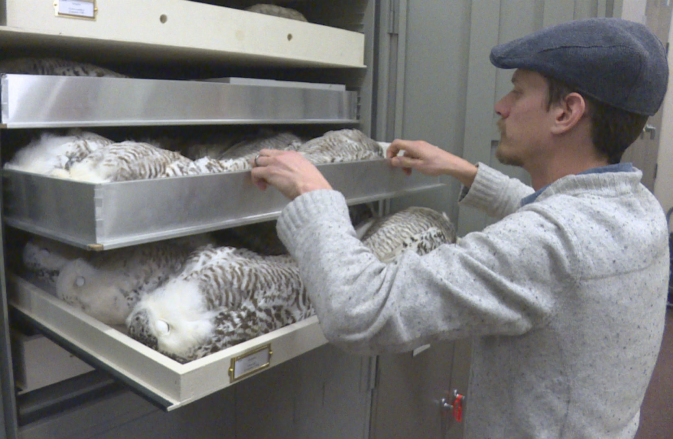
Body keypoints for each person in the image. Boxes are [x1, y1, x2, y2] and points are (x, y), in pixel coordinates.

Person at [250, 18, 671, 438]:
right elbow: (553, 221)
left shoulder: (549, 242)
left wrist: (313, 195)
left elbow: (360, 311)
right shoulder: (639, 207)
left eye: (519, 90)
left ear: (566, 112)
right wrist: (463, 170)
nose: (501, 105)